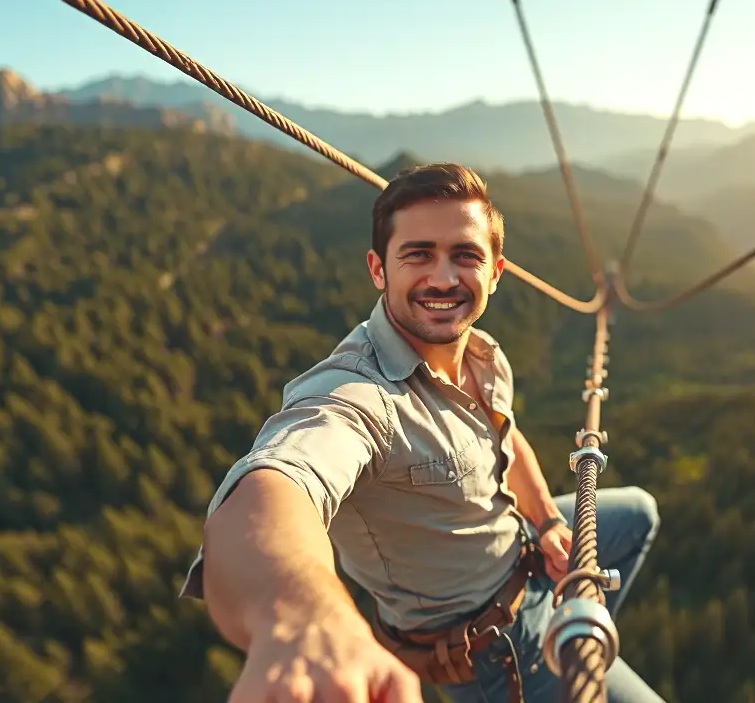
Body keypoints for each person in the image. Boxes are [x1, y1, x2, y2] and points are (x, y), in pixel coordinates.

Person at [179, 162, 664, 703]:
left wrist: (547, 519)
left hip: (522, 553)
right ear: (378, 269)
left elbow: (507, 438)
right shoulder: (356, 395)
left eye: (466, 256)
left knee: (638, 515)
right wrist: (302, 617)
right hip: (498, 649)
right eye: (418, 254)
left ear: (496, 272)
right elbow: (274, 486)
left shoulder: (482, 354)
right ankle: (569, 661)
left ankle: (576, 636)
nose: (443, 278)